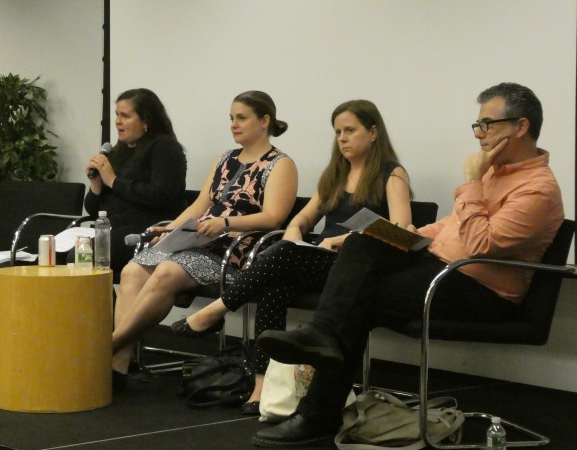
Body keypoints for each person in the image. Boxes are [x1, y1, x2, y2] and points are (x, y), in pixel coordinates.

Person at [252, 82, 564, 447]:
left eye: (487, 124)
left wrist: (473, 183)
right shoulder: (496, 173)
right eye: (477, 125)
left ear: (521, 126)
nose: (479, 134)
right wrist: (405, 234)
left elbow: (481, 244)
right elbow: (452, 227)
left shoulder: (538, 189)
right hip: (442, 268)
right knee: (364, 238)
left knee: (359, 301)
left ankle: (317, 410)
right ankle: (322, 347)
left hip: (480, 290)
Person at [170, 99, 413, 413]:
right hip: (318, 260)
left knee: (283, 259)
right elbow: (302, 218)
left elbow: (400, 230)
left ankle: (216, 309)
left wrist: (339, 240)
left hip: (353, 267)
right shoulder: (336, 176)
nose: (342, 138)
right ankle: (262, 389)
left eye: (350, 130)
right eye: (338, 131)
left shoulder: (392, 175)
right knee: (275, 286)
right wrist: (296, 233)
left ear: (374, 132)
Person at [111, 90, 299, 388]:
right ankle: (117, 368)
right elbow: (200, 205)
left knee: (167, 272)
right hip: (198, 240)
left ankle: (109, 345)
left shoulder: (280, 164)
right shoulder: (225, 159)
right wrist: (170, 229)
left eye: (241, 118)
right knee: (132, 271)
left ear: (265, 121)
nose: (234, 124)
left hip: (235, 251)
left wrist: (225, 222)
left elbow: (273, 218)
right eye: (231, 118)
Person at [83, 88, 187, 278]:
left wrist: (113, 181)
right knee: (71, 251)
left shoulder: (165, 148)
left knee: (91, 254)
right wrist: (96, 184)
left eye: (125, 116)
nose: (117, 121)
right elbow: (94, 211)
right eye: (116, 115)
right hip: (114, 228)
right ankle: (101, 307)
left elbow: (160, 195)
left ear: (146, 120)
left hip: (148, 230)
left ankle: (106, 308)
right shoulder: (117, 152)